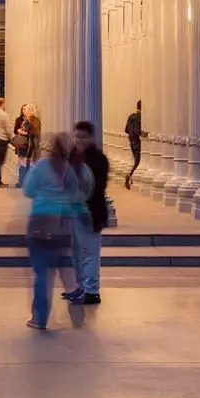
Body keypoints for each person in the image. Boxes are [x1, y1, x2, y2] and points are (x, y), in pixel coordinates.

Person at [21, 132, 91, 331]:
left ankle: (39, 319)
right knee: (67, 271)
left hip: (41, 224)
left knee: (43, 273)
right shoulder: (69, 170)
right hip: (63, 225)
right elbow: (76, 196)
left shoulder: (41, 167)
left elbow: (28, 190)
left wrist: (45, 194)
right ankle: (77, 311)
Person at [68, 121, 109, 305]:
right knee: (76, 252)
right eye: (77, 136)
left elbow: (95, 188)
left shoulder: (97, 159)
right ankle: (82, 286)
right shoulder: (72, 157)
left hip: (91, 212)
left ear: (91, 138)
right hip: (73, 212)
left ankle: (92, 290)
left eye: (83, 137)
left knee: (90, 252)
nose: (79, 140)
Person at [123, 101, 143, 189]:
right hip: (136, 141)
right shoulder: (138, 117)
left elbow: (126, 130)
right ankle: (130, 174)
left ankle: (131, 178)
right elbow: (137, 131)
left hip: (131, 140)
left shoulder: (131, 116)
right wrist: (145, 134)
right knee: (137, 162)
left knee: (135, 160)